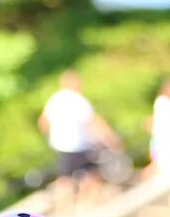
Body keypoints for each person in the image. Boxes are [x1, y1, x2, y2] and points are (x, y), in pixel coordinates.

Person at [38, 70, 120, 209]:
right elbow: (93, 121)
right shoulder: (78, 100)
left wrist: (52, 135)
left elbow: (43, 122)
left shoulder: (54, 99)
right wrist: (109, 138)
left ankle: (65, 206)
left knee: (66, 176)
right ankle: (86, 205)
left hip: (60, 144)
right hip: (78, 145)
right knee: (91, 175)